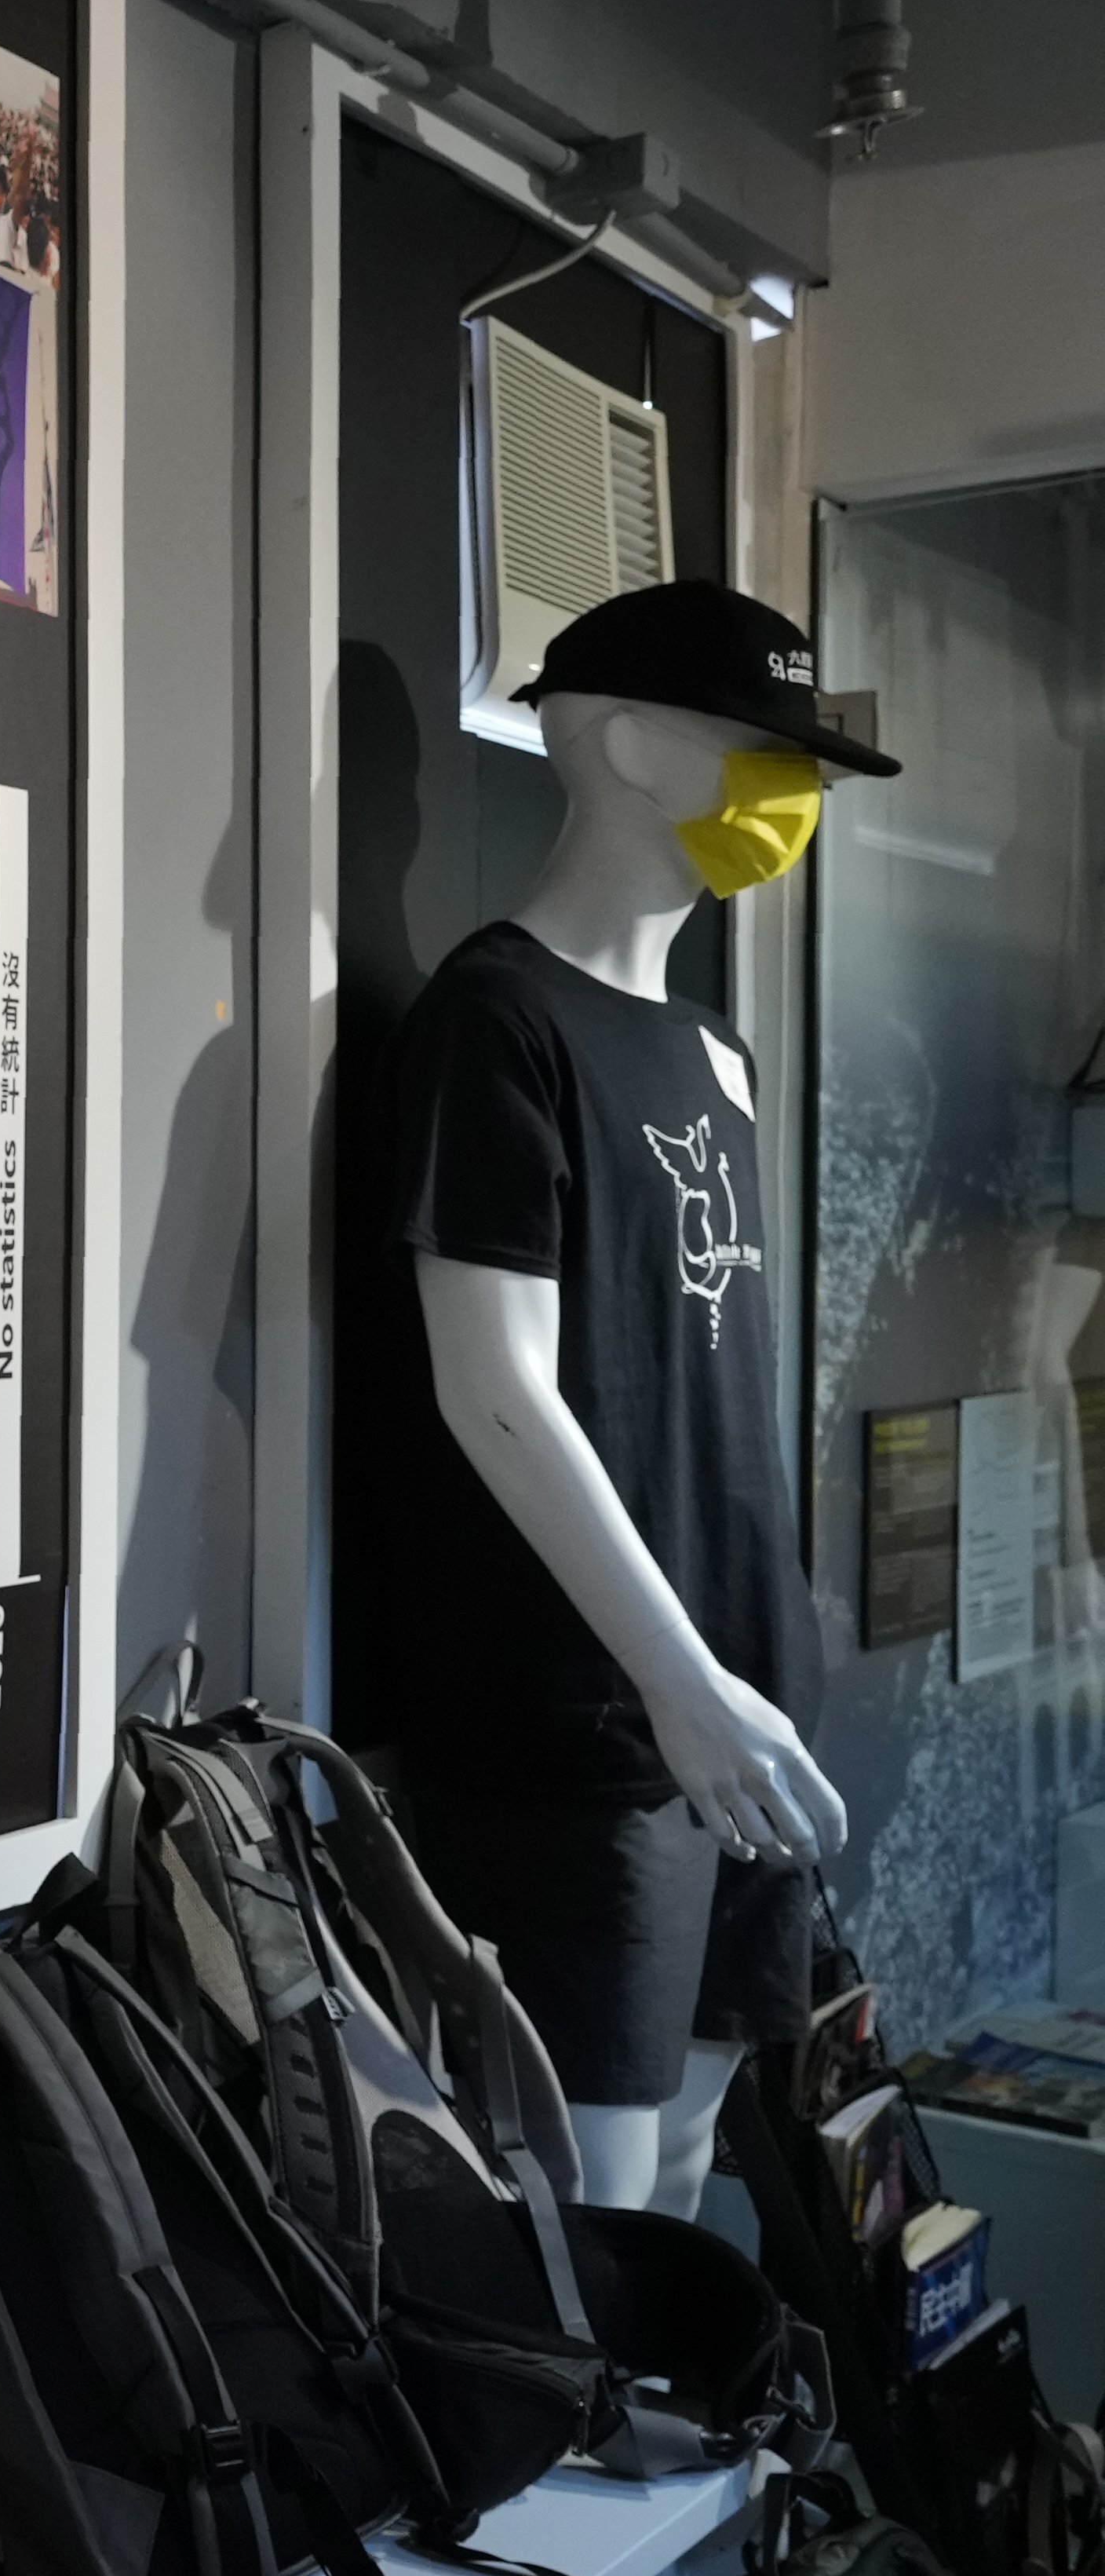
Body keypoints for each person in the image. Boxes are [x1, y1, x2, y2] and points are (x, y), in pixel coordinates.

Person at [388, 580, 897, 2218]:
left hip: (738, 1700)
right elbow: (493, 1388)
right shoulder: (496, 1020)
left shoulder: (714, 1053)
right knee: (593, 2205)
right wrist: (675, 1682)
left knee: (684, 2165)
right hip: (588, 1728)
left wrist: (734, 1683)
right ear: (613, 742)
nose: (788, 791)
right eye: (758, 747)